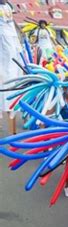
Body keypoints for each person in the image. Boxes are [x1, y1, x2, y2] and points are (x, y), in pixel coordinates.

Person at [0, 0, 22, 135]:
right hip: (2, 39)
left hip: (12, 38)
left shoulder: (8, 6)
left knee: (13, 71)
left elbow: (12, 24)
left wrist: (18, 40)